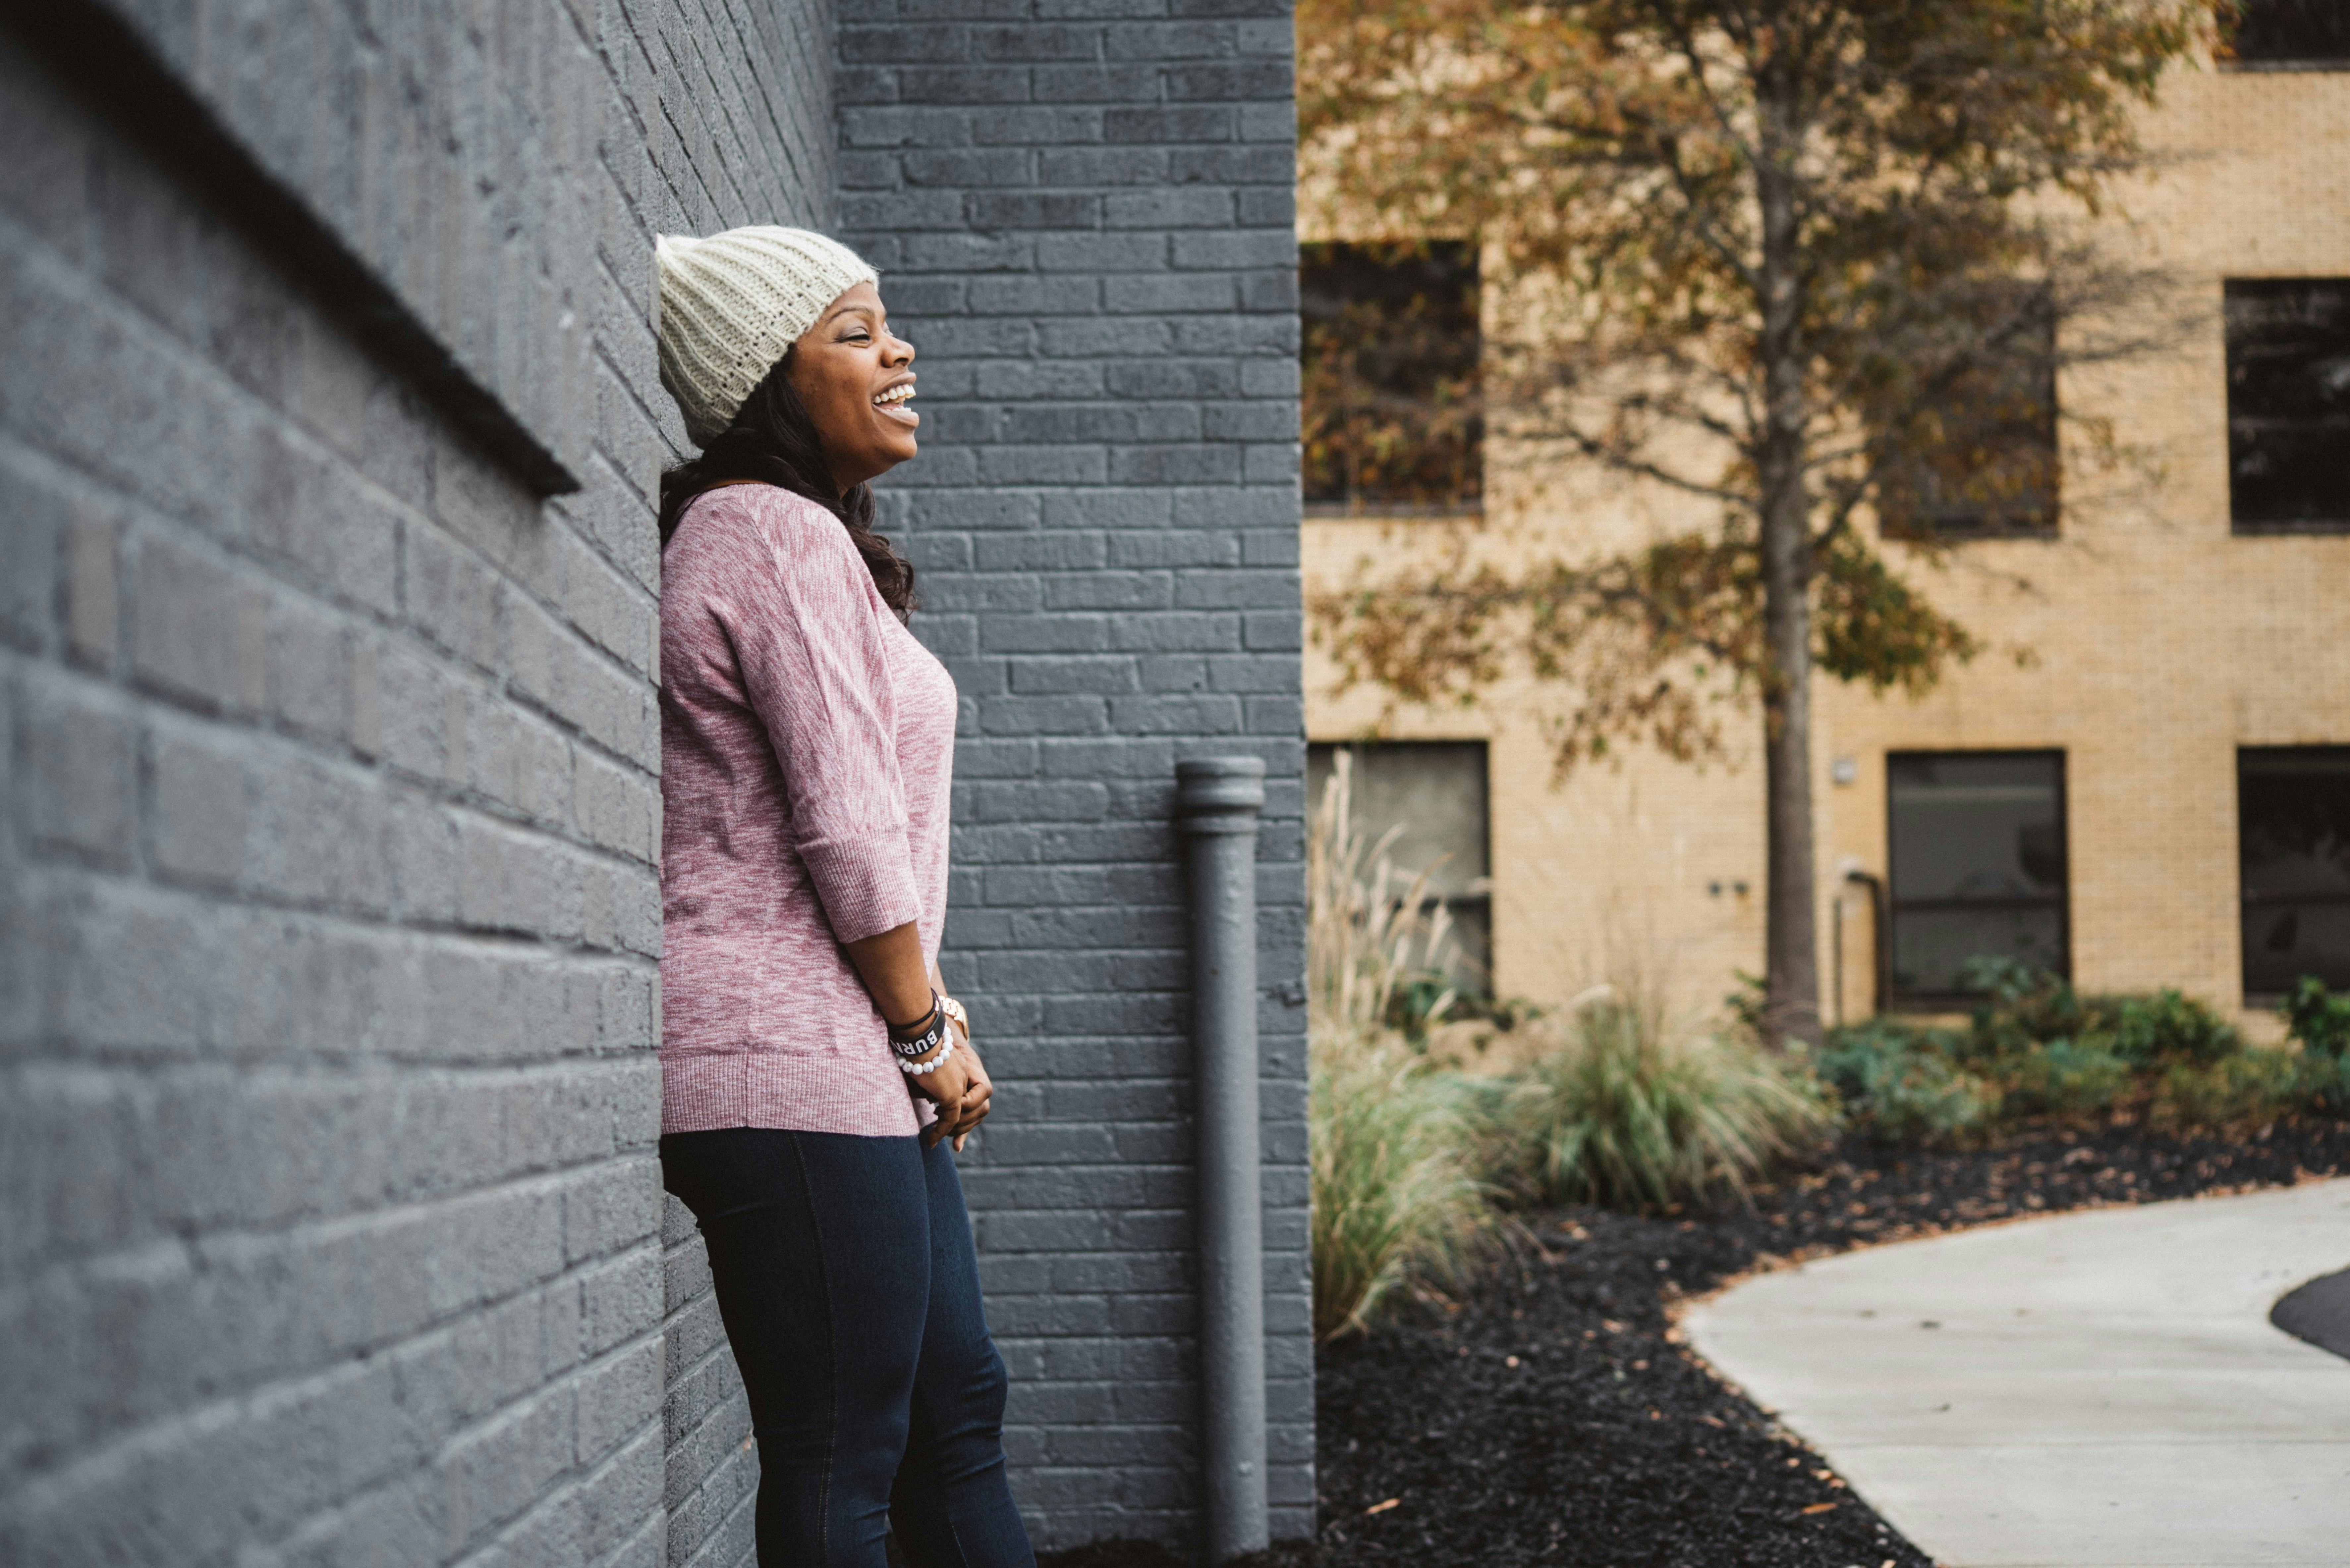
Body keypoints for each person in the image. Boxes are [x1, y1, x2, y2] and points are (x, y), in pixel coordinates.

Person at [651, 226, 1035, 1568]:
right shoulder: (763, 528)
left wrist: (918, 1025)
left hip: (847, 1053)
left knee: (954, 1409)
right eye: (856, 329)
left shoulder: (797, 539)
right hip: (786, 1061)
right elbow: (845, 822)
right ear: (771, 375)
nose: (900, 348)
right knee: (847, 1456)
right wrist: (928, 1026)